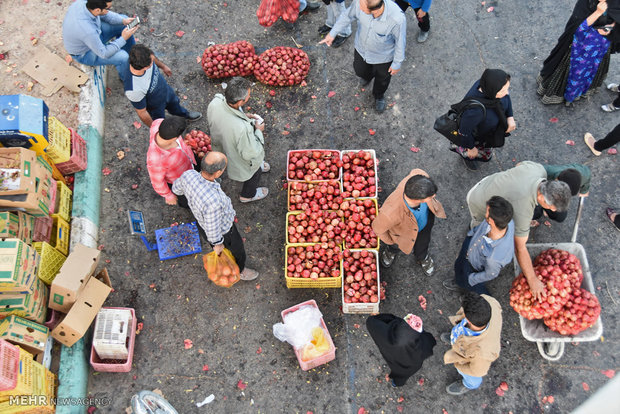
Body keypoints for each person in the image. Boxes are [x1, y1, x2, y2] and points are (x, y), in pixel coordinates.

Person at [466, 161, 572, 302]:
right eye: (552, 207)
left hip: (488, 182)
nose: (552, 210)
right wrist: (533, 280)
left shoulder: (539, 170)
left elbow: (519, 165)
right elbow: (519, 248)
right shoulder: (522, 208)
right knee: (482, 229)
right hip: (479, 200)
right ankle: (473, 231)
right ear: (541, 197)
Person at [172, 152, 259, 281]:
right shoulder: (213, 202)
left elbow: (176, 189)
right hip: (224, 232)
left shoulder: (189, 175)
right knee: (237, 250)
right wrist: (217, 244)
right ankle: (240, 270)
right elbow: (212, 228)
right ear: (218, 172)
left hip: (200, 221)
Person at [319, 0, 407, 113]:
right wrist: (333, 33)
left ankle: (379, 96)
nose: (358, 6)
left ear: (373, 10)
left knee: (382, 80)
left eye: (362, 7)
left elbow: (400, 42)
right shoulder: (360, 2)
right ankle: (367, 76)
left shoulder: (397, 19)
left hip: (383, 58)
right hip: (361, 50)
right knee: (360, 70)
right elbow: (347, 16)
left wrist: (397, 63)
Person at [537, 0, 620, 106]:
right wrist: (598, 13)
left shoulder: (615, 4)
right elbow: (578, 28)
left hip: (597, 53)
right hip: (575, 52)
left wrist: (611, 27)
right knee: (572, 74)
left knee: (586, 73)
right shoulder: (587, 4)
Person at [207, 77, 270, 203]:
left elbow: (227, 117)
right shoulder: (242, 129)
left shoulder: (216, 101)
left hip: (222, 145)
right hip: (239, 156)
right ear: (241, 101)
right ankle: (247, 195)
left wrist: (243, 116)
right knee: (253, 171)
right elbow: (250, 153)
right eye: (249, 95)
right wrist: (258, 130)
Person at [372, 170, 446, 276]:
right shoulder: (390, 213)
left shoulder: (419, 176)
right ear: (418, 200)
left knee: (423, 243)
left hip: (424, 225)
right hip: (402, 233)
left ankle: (422, 257)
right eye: (430, 197)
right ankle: (391, 251)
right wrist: (391, 241)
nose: (434, 196)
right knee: (396, 246)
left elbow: (416, 170)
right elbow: (377, 228)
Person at [443, 196, 514, 295]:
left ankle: (465, 287)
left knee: (467, 282)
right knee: (458, 265)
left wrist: (471, 279)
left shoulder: (495, 257)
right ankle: (460, 281)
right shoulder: (506, 221)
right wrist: (471, 234)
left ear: (492, 221)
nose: (485, 212)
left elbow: (490, 274)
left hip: (473, 266)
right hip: (472, 244)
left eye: (487, 212)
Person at [449, 69, 516, 170]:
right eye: (503, 90)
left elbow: (507, 98)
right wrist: (471, 148)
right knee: (472, 154)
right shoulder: (474, 111)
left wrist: (510, 116)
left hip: (488, 132)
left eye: (507, 88)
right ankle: (468, 159)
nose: (506, 93)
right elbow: (464, 131)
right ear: (492, 90)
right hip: (478, 137)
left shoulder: (489, 87)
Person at [123, 44, 202, 127]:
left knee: (175, 104)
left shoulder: (141, 56)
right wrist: (154, 128)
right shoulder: (133, 89)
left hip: (166, 90)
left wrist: (163, 66)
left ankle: (184, 114)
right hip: (155, 107)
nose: (153, 61)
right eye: (151, 62)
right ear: (146, 67)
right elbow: (142, 113)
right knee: (160, 122)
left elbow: (152, 57)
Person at [441, 291, 502, 395]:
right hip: (467, 335)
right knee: (457, 337)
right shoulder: (489, 301)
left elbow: (477, 371)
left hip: (471, 361)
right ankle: (456, 340)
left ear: (468, 320)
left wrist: (458, 365)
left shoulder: (481, 353)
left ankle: (469, 384)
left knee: (473, 379)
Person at [63, 0, 138, 81]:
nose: (108, 11)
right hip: (86, 53)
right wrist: (123, 38)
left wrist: (123, 21)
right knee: (123, 57)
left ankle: (134, 58)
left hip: (94, 36)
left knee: (124, 21)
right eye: (107, 8)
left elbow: (105, 15)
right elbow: (104, 53)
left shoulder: (85, 3)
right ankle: (127, 79)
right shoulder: (88, 31)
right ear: (97, 10)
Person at [366, 313, 436, 387]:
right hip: (410, 368)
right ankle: (396, 384)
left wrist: (376, 317)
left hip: (393, 359)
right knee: (401, 377)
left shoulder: (389, 338)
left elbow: (371, 323)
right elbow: (430, 342)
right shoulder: (423, 343)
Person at [146, 116, 197, 207]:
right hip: (181, 181)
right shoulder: (156, 161)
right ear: (174, 138)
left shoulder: (158, 123)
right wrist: (168, 196)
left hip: (190, 162)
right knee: (187, 200)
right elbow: (157, 182)